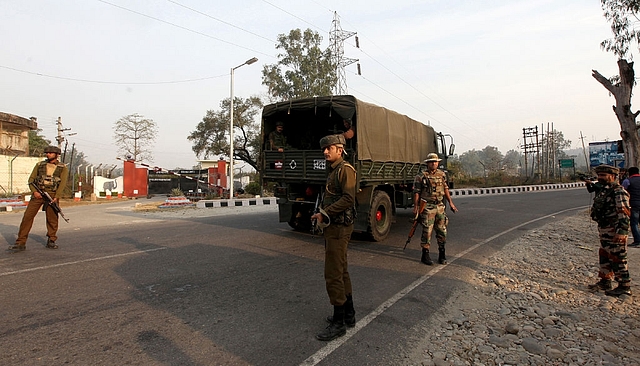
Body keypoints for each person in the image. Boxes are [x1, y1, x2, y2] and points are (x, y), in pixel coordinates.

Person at [310, 134, 357, 341]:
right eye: (324, 148)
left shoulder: (345, 170)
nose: (325, 152)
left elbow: (349, 198)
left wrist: (325, 213)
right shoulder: (335, 171)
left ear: (340, 149)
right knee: (342, 270)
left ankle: (339, 323)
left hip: (339, 228)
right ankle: (349, 315)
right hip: (335, 227)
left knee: (333, 274)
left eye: (329, 148)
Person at [8, 145, 68, 252]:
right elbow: (31, 179)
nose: (48, 154)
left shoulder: (62, 167)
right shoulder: (40, 165)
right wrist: (34, 191)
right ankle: (21, 242)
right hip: (38, 194)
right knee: (27, 217)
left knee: (52, 219)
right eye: (47, 152)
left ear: (56, 155)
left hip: (52, 195)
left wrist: (56, 196)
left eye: (50, 152)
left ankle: (51, 239)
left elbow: (62, 183)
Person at [587, 164, 632, 297]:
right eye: (599, 175)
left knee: (618, 257)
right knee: (605, 255)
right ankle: (605, 280)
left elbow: (624, 213)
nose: (600, 178)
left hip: (615, 231)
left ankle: (624, 285)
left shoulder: (618, 191)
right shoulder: (604, 190)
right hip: (605, 230)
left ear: (612, 176)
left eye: (603, 175)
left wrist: (622, 232)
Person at [413, 153, 458, 265]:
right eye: (431, 162)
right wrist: (416, 207)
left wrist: (451, 203)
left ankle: (442, 255)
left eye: (435, 161)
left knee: (442, 230)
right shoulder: (421, 176)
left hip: (440, 206)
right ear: (427, 163)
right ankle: (425, 255)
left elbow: (446, 189)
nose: (434, 163)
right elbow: (416, 192)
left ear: (438, 163)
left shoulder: (442, 174)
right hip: (427, 206)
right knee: (427, 231)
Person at [622, 166, 640, 247]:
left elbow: (622, 192)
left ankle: (637, 241)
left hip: (633, 204)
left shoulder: (627, 181)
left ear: (629, 173)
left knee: (634, 223)